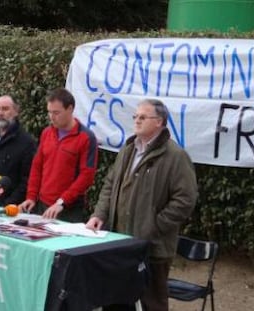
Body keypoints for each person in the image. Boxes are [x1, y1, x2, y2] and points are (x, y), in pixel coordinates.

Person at [86, 99, 198, 311]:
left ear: (160, 122)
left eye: (143, 117)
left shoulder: (175, 156)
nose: (137, 121)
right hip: (119, 243)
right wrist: (99, 214)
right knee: (116, 300)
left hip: (152, 248)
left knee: (151, 303)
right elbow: (110, 184)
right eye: (135, 116)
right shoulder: (128, 150)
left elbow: (185, 200)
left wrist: (154, 226)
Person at [20, 87, 98, 223]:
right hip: (42, 205)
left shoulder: (86, 138)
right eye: (49, 112)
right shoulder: (47, 133)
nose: (52, 117)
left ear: (70, 109)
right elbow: (37, 166)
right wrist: (31, 196)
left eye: (56, 112)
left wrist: (62, 202)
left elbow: (86, 176)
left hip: (69, 209)